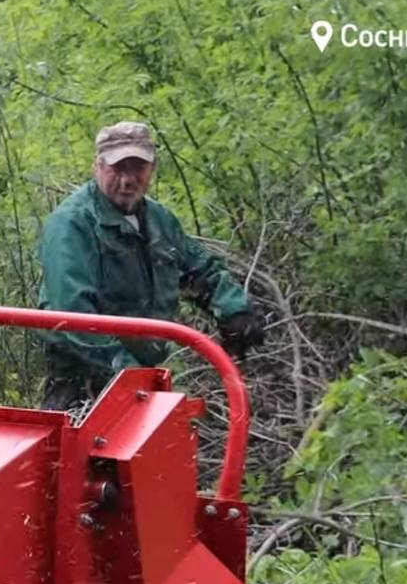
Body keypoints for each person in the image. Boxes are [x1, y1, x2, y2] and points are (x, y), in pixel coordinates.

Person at [37, 121, 263, 410]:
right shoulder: (73, 224)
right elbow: (72, 316)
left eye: (138, 168)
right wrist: (128, 372)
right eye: (119, 168)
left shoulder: (158, 220)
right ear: (98, 166)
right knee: (86, 454)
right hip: (84, 382)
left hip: (142, 373)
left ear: (152, 169)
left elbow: (198, 269)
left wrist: (234, 310)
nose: (128, 179)